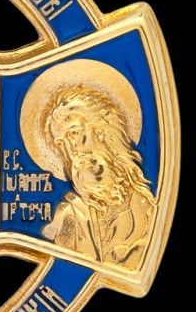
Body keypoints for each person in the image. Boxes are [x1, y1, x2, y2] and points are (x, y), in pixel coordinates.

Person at [42, 84, 156, 269]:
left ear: (101, 130)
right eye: (61, 144)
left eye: (74, 133)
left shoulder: (144, 205)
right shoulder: (72, 214)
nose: (71, 150)